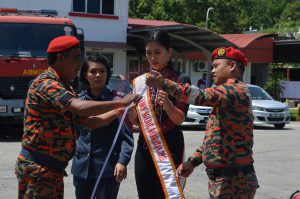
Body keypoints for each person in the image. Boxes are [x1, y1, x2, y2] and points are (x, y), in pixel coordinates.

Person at [15, 36, 138, 199]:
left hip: (52, 171)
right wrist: (120, 103)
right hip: (39, 169)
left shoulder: (65, 88)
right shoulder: (46, 84)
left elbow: (89, 122)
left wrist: (117, 112)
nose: (79, 65)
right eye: (76, 58)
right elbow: (80, 108)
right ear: (60, 58)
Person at [146, 47, 259, 198]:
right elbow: (213, 142)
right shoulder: (227, 97)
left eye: (216, 66)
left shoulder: (235, 90)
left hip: (233, 182)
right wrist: (192, 162)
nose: (212, 71)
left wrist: (164, 83)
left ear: (232, 66)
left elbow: (201, 96)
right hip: (226, 180)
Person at [132, 30, 191, 199]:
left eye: (157, 52)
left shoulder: (180, 79)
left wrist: (168, 105)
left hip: (170, 146)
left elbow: (180, 119)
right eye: (148, 53)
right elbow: (136, 121)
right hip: (145, 147)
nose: (153, 58)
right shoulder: (140, 80)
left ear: (169, 53)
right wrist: (126, 108)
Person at [71, 54, 135, 199]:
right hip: (82, 168)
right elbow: (73, 133)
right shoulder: (78, 102)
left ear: (107, 74)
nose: (98, 75)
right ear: (85, 75)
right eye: (93, 71)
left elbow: (126, 136)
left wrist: (122, 161)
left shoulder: (117, 101)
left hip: (107, 168)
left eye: (102, 71)